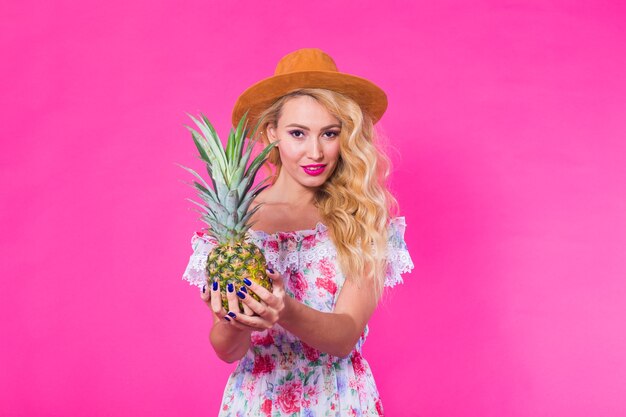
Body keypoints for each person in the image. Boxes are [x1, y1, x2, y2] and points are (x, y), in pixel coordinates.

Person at [183, 48, 414, 416]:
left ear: (346, 135)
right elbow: (227, 351)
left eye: (329, 133)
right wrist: (234, 321)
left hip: (338, 401)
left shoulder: (362, 216)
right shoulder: (237, 232)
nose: (316, 151)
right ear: (271, 133)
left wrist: (281, 307)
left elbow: (344, 336)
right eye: (298, 133)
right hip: (259, 400)